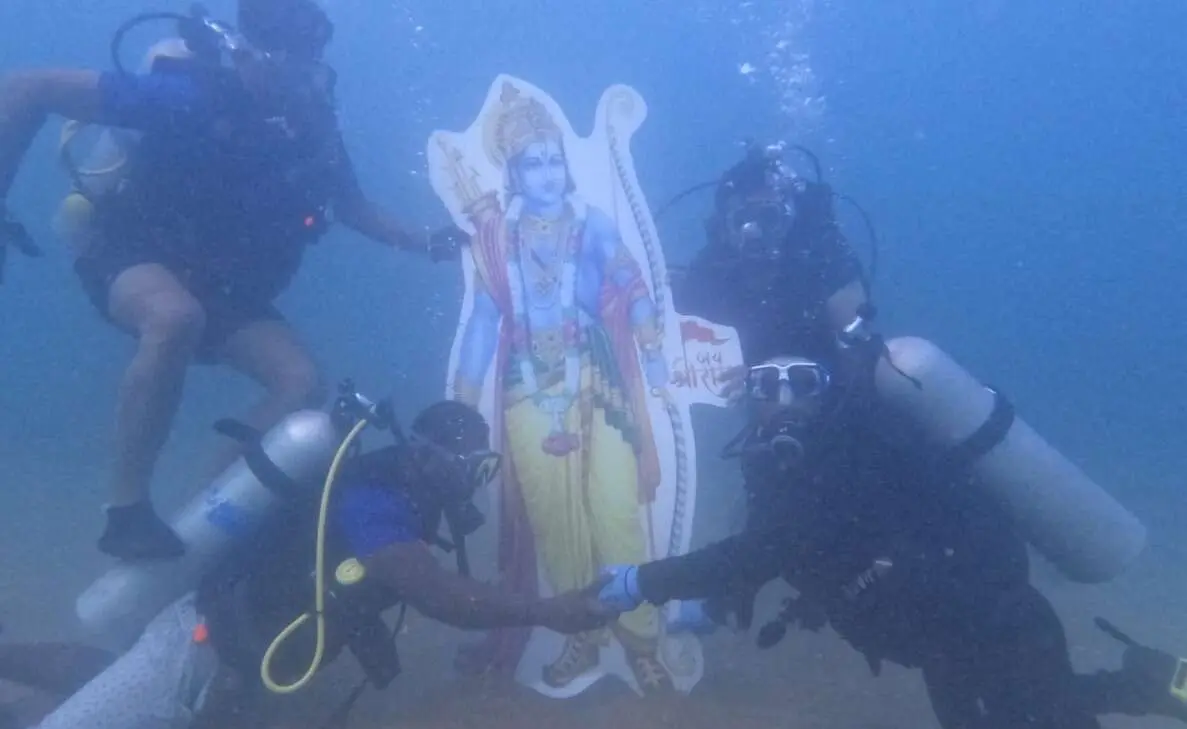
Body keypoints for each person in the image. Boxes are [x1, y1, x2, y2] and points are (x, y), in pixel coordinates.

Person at [0, 0, 465, 560]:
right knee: (174, 319)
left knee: (300, 382)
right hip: (132, 254)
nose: (297, 78)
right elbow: (27, 86)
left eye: (308, 64)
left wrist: (429, 243)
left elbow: (353, 207)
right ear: (243, 52)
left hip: (222, 288)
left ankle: (204, 517)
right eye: (284, 63)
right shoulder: (190, 96)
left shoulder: (310, 123)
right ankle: (126, 512)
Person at [596, 354, 1187, 728]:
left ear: (825, 395)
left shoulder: (843, 463)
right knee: (1035, 709)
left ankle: (1161, 684)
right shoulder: (791, 474)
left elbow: (761, 552)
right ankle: (1155, 683)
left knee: (1055, 711)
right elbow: (779, 553)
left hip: (987, 618)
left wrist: (640, 583)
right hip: (941, 635)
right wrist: (715, 605)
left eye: (800, 383)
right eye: (764, 386)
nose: (781, 401)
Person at [0, 400, 615, 729]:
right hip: (205, 643)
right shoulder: (374, 498)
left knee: (129, 680)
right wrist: (545, 612)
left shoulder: (399, 499)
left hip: (229, 643)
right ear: (425, 454)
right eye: (470, 466)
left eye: (484, 470)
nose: (471, 485)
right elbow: (433, 593)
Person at [442, 83, 673, 691]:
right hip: (527, 393)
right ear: (513, 174)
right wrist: (460, 406)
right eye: (531, 163)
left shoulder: (592, 225)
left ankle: (642, 639)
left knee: (616, 514)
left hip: (599, 383)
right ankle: (583, 637)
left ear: (565, 167)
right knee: (556, 528)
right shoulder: (496, 243)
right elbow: (484, 322)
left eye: (554, 161)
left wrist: (653, 365)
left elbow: (636, 291)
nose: (546, 174)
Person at [669, 141, 869, 371]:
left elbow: (857, 356)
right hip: (739, 395)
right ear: (725, 228)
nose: (753, 231)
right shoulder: (709, 270)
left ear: (788, 221)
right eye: (743, 219)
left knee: (912, 358)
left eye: (768, 218)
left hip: (824, 386)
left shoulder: (825, 261)